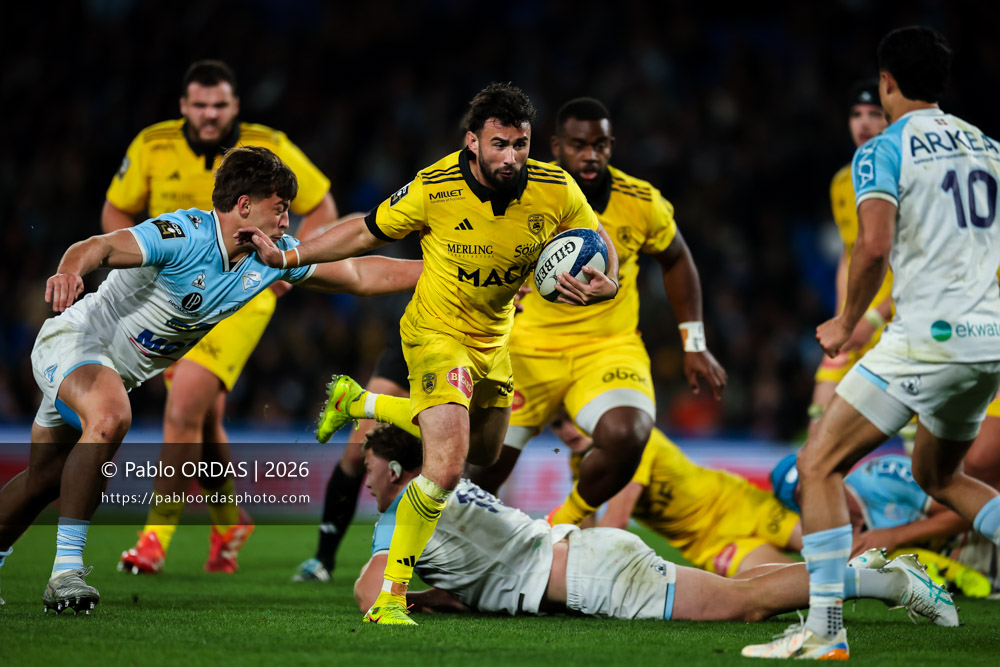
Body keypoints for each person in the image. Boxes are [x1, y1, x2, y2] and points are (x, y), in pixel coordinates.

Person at [241, 82, 620, 624]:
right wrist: (291, 254)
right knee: (444, 466)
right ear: (473, 142)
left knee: (486, 454)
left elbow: (597, 241)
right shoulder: (436, 186)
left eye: (520, 144)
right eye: (499, 145)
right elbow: (365, 232)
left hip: (494, 341)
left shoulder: (555, 188)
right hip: (435, 334)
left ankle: (358, 402)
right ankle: (389, 599)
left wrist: (607, 282)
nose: (511, 157)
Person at [0, 146, 422, 613]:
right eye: (280, 210)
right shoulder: (182, 233)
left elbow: (360, 273)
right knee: (111, 415)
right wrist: (67, 272)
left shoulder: (269, 258)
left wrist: (439, 274)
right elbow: (97, 246)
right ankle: (66, 574)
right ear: (245, 206)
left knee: (43, 478)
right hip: (76, 342)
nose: (288, 223)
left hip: (114, 371)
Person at [743, 27, 1000, 660]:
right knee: (938, 475)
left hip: (925, 341)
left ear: (886, 82)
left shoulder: (883, 150)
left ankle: (824, 630)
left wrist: (846, 321)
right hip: (988, 342)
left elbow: (873, 246)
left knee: (816, 465)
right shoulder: (989, 147)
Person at [353, 425, 956, 627]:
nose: (366, 477)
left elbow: (368, 591)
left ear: (400, 468)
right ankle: (865, 573)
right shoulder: (446, 486)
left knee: (744, 605)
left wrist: (439, 600)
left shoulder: (403, 514)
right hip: (591, 554)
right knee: (742, 589)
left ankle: (890, 584)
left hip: (596, 575)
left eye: (372, 467)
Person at [103, 60, 337, 575]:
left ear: (235, 107)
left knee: (185, 403)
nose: (210, 115)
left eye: (220, 105)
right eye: (201, 105)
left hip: (241, 292)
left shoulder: (265, 144)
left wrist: (284, 270)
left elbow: (323, 208)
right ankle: (229, 518)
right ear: (184, 107)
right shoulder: (152, 144)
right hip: (173, 296)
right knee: (203, 418)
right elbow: (114, 213)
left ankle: (154, 537)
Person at [466, 97, 726, 526]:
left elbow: (678, 259)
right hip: (525, 353)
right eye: (578, 144)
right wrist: (496, 288)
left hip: (607, 349)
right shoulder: (520, 191)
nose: (590, 154)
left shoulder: (640, 201)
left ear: (611, 145)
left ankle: (558, 527)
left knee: (629, 434)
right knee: (481, 471)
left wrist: (694, 343)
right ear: (556, 145)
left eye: (600, 144)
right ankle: (459, 581)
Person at [550, 410, 801, 575]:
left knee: (834, 550)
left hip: (739, 505)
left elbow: (615, 523)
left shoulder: (633, 442)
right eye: (557, 424)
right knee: (807, 582)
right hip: (708, 546)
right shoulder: (578, 461)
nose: (568, 430)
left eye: (572, 419)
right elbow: (585, 526)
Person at [771, 453, 995, 597]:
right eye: (806, 493)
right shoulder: (833, 539)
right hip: (970, 587)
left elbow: (970, 512)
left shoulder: (882, 475)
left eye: (816, 479)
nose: (818, 491)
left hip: (989, 544)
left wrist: (894, 536)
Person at [808, 81, 891, 436]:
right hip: (854, 325)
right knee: (817, 429)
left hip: (895, 324)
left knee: (919, 457)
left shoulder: (908, 178)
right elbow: (848, 253)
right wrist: (845, 316)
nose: (864, 124)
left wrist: (870, 318)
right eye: (857, 115)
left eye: (875, 115)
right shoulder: (842, 182)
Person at [292, 338, 410, 583]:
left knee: (473, 458)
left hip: (473, 344)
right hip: (416, 340)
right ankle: (323, 559)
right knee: (358, 453)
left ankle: (358, 402)